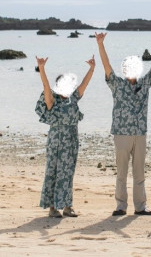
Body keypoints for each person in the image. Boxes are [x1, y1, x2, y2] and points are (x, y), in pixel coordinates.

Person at [95, 32, 151, 216]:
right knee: (121, 172)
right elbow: (107, 66)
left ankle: (141, 207)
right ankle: (121, 206)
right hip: (122, 133)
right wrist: (100, 44)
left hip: (140, 133)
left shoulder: (145, 83)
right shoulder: (117, 84)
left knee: (139, 172)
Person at [34, 54, 95, 218]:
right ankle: (53, 207)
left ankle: (68, 206)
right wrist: (42, 68)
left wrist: (92, 68)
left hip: (71, 141)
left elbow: (85, 84)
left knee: (68, 173)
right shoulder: (52, 101)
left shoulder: (73, 98)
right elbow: (46, 86)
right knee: (53, 172)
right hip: (56, 142)